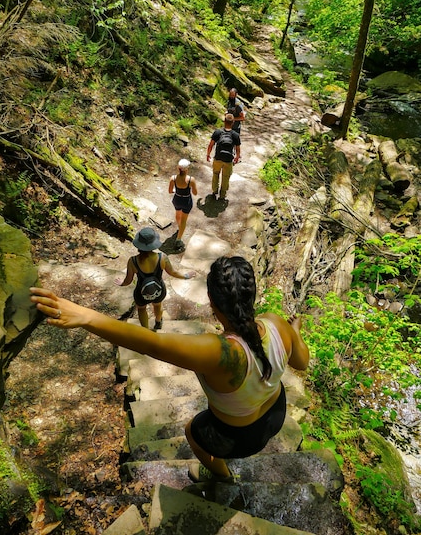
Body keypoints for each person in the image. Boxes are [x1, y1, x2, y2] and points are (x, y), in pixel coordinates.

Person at [30, 255, 309, 483]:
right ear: (253, 295)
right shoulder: (275, 323)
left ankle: (223, 477)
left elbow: (153, 343)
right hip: (276, 414)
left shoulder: (219, 352)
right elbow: (302, 363)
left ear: (211, 300)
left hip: (236, 439)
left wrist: (87, 316)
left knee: (192, 431)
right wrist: (294, 331)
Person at [114, 227, 196, 330]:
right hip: (159, 290)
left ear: (139, 244)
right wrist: (186, 276)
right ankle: (158, 322)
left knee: (141, 309)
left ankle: (145, 330)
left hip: (141, 292)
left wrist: (122, 283)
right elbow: (173, 272)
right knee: (157, 305)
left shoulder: (133, 261)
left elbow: (128, 280)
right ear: (153, 243)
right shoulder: (162, 257)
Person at [207, 113, 241, 200]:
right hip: (228, 160)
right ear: (233, 122)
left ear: (224, 121)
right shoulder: (235, 135)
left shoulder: (218, 132)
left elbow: (211, 145)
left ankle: (214, 191)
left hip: (218, 158)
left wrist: (208, 155)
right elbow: (237, 148)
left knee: (215, 174)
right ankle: (222, 194)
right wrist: (237, 157)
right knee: (226, 177)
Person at [169, 159, 198, 252]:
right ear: (187, 169)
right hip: (186, 200)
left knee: (178, 213)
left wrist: (175, 191)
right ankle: (178, 239)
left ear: (178, 168)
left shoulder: (173, 178)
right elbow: (195, 193)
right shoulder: (191, 180)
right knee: (184, 219)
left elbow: (170, 191)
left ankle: (179, 227)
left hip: (177, 199)